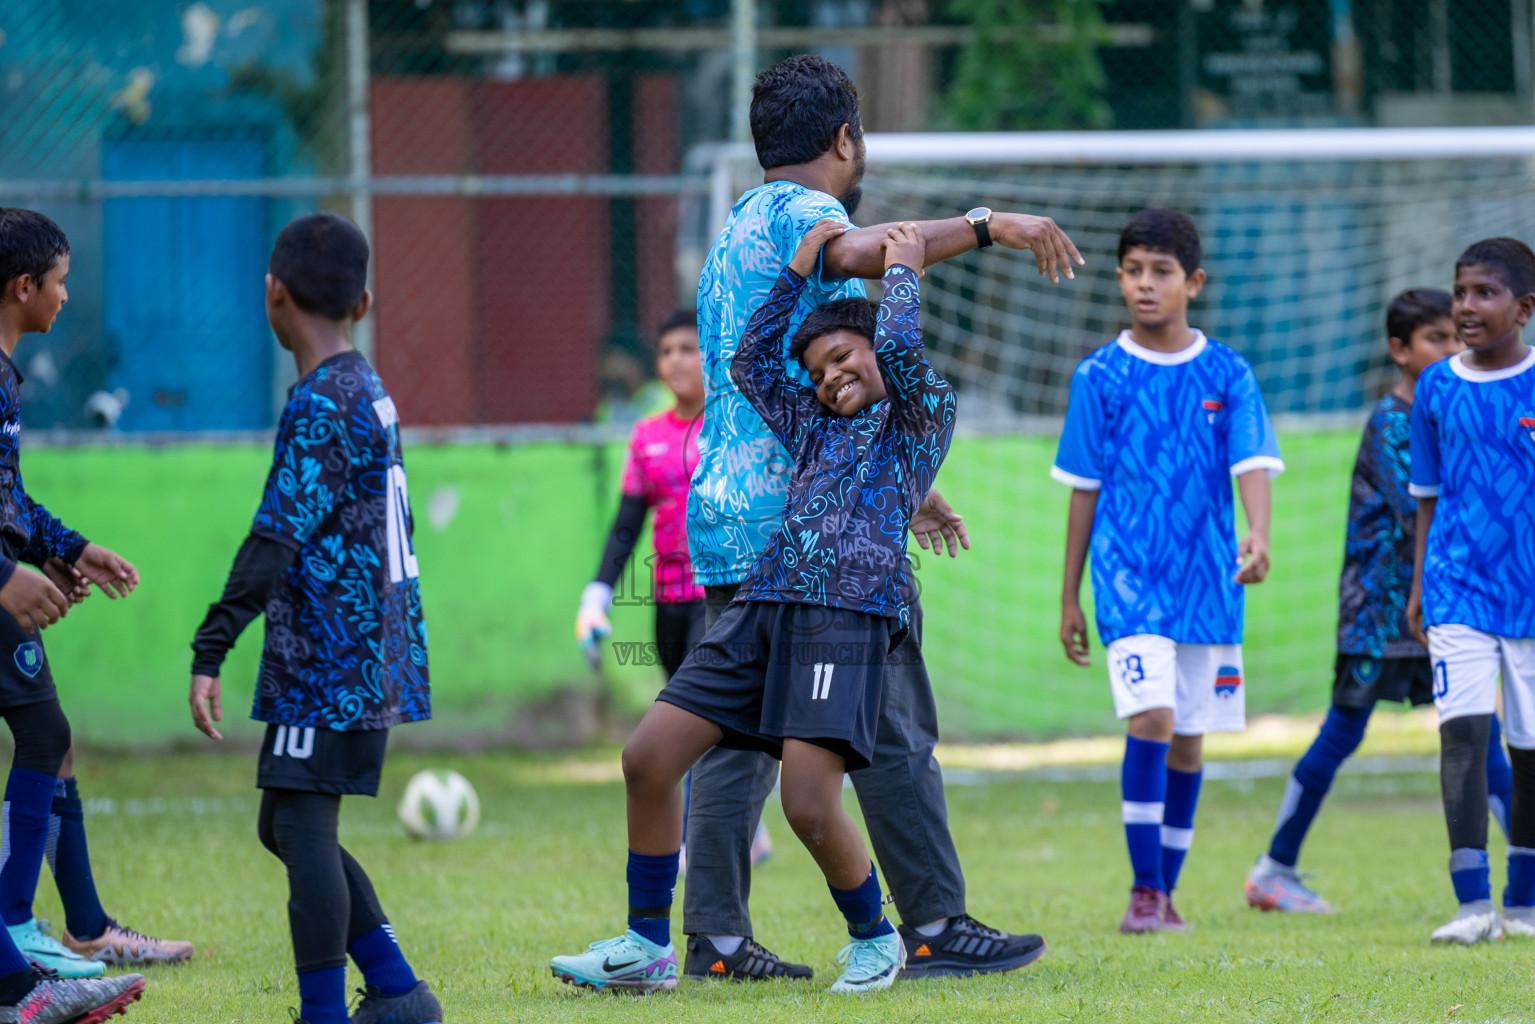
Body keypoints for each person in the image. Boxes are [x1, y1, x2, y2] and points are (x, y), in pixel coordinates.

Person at [680, 53, 1074, 983]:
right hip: (820, 538)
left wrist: (898, 476)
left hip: (732, 517)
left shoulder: (737, 224)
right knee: (892, 725)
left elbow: (775, 370)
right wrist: (989, 225)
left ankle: (717, 939)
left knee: (734, 734)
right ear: (844, 140)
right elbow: (866, 252)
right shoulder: (808, 215)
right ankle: (933, 923)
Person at [551, 219, 953, 995]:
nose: (830, 377)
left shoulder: (916, 418)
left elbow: (900, 355)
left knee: (806, 802)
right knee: (647, 759)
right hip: (761, 606)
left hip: (846, 616)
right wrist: (796, 269)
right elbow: (745, 360)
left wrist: (900, 273)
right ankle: (646, 947)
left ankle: (875, 940)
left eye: (841, 358)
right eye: (818, 371)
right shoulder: (810, 425)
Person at [187, 213, 441, 1024]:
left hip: (335, 656)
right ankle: (397, 992)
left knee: (298, 822)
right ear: (363, 301)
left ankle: (328, 1014)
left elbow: (275, 536)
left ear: (273, 294)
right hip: (364, 649)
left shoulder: (324, 402)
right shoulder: (361, 385)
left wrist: (211, 644)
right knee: (286, 821)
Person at [1245, 289, 1515, 913]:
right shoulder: (1392, 423)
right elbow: (1432, 505)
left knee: (1482, 734)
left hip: (1443, 611)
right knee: (1341, 735)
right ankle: (1273, 868)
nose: (1453, 349)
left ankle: (1523, 869)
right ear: (1400, 350)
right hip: (1378, 619)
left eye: (1457, 337)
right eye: (1436, 340)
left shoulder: (1451, 411)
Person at [1055, 208, 1282, 934]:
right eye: (1132, 271)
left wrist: (1257, 534)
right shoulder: (1098, 376)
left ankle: (1163, 895)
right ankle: (1143, 892)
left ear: (1193, 282)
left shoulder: (1228, 373)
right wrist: (1069, 595)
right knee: (1151, 717)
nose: (1144, 285)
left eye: (1160, 271)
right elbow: (1082, 488)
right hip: (1125, 579)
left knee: (1188, 737)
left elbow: (1250, 461)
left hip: (1208, 582)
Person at [0, 208, 149, 1020]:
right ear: (24, 287)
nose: (66, 296)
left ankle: (21, 952)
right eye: (59, 282)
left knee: (47, 734)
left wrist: (71, 547)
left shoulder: (4, 373)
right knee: (46, 735)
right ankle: (19, 943)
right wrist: (3, 575)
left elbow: (8, 497)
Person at [574, 310, 773, 872]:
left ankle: (698, 842)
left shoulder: (734, 428)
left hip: (718, 594)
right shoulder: (647, 436)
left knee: (698, 719)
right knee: (693, 725)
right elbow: (627, 523)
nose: (676, 361)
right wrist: (598, 593)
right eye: (667, 352)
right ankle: (743, 830)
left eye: (688, 348)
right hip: (666, 600)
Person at [1407, 236, 1535, 946]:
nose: (1464, 307)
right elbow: (1426, 495)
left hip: (1529, 596)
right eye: (1459, 292)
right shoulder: (1435, 386)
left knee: (1530, 748)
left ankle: (1522, 902)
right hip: (1456, 587)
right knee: (1461, 734)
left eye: (1483, 294)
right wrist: (1421, 584)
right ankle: (1469, 904)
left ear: (1523, 309)